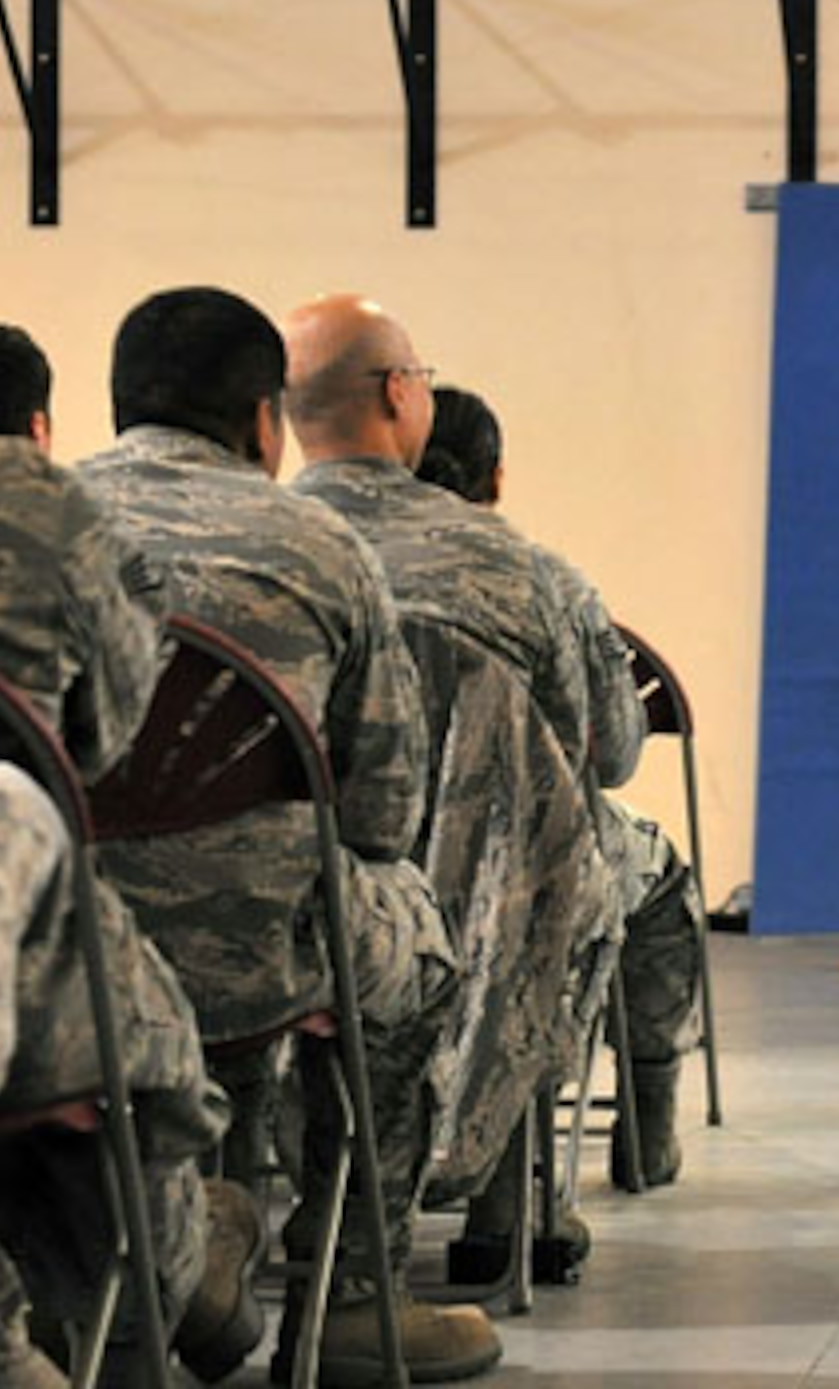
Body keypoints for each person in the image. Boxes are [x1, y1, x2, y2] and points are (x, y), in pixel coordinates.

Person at [76, 287, 496, 1386]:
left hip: (58, 950)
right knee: (418, 941)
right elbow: (381, 810)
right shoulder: (319, 545)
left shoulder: (36, 527)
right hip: (264, 949)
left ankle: (152, 1243)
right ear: (263, 421)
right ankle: (354, 1293)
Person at [0, 318, 247, 1384]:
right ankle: (201, 1266)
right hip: (10, 976)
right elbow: (105, 745)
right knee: (119, 1065)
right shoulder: (33, 505)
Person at [281, 296, 615, 1269]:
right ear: (397, 393)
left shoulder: (251, 551)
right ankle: (518, 1208)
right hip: (482, 916)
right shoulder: (517, 567)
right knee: (576, 875)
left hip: (265, 907)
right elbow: (582, 745)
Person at [418, 385, 703, 1199]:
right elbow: (612, 755)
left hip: (368, 861)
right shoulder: (547, 581)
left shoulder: (344, 560)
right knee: (661, 879)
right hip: (519, 868)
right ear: (496, 478)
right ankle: (643, 1120)